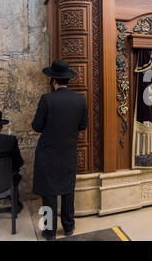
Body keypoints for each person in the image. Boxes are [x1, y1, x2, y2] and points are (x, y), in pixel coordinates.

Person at [32, 60, 88, 240]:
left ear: (53, 81)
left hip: (47, 154)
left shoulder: (46, 99)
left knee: (49, 193)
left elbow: (37, 126)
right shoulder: (80, 100)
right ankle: (69, 227)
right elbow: (83, 125)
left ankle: (49, 232)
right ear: (67, 80)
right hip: (68, 153)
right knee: (67, 190)